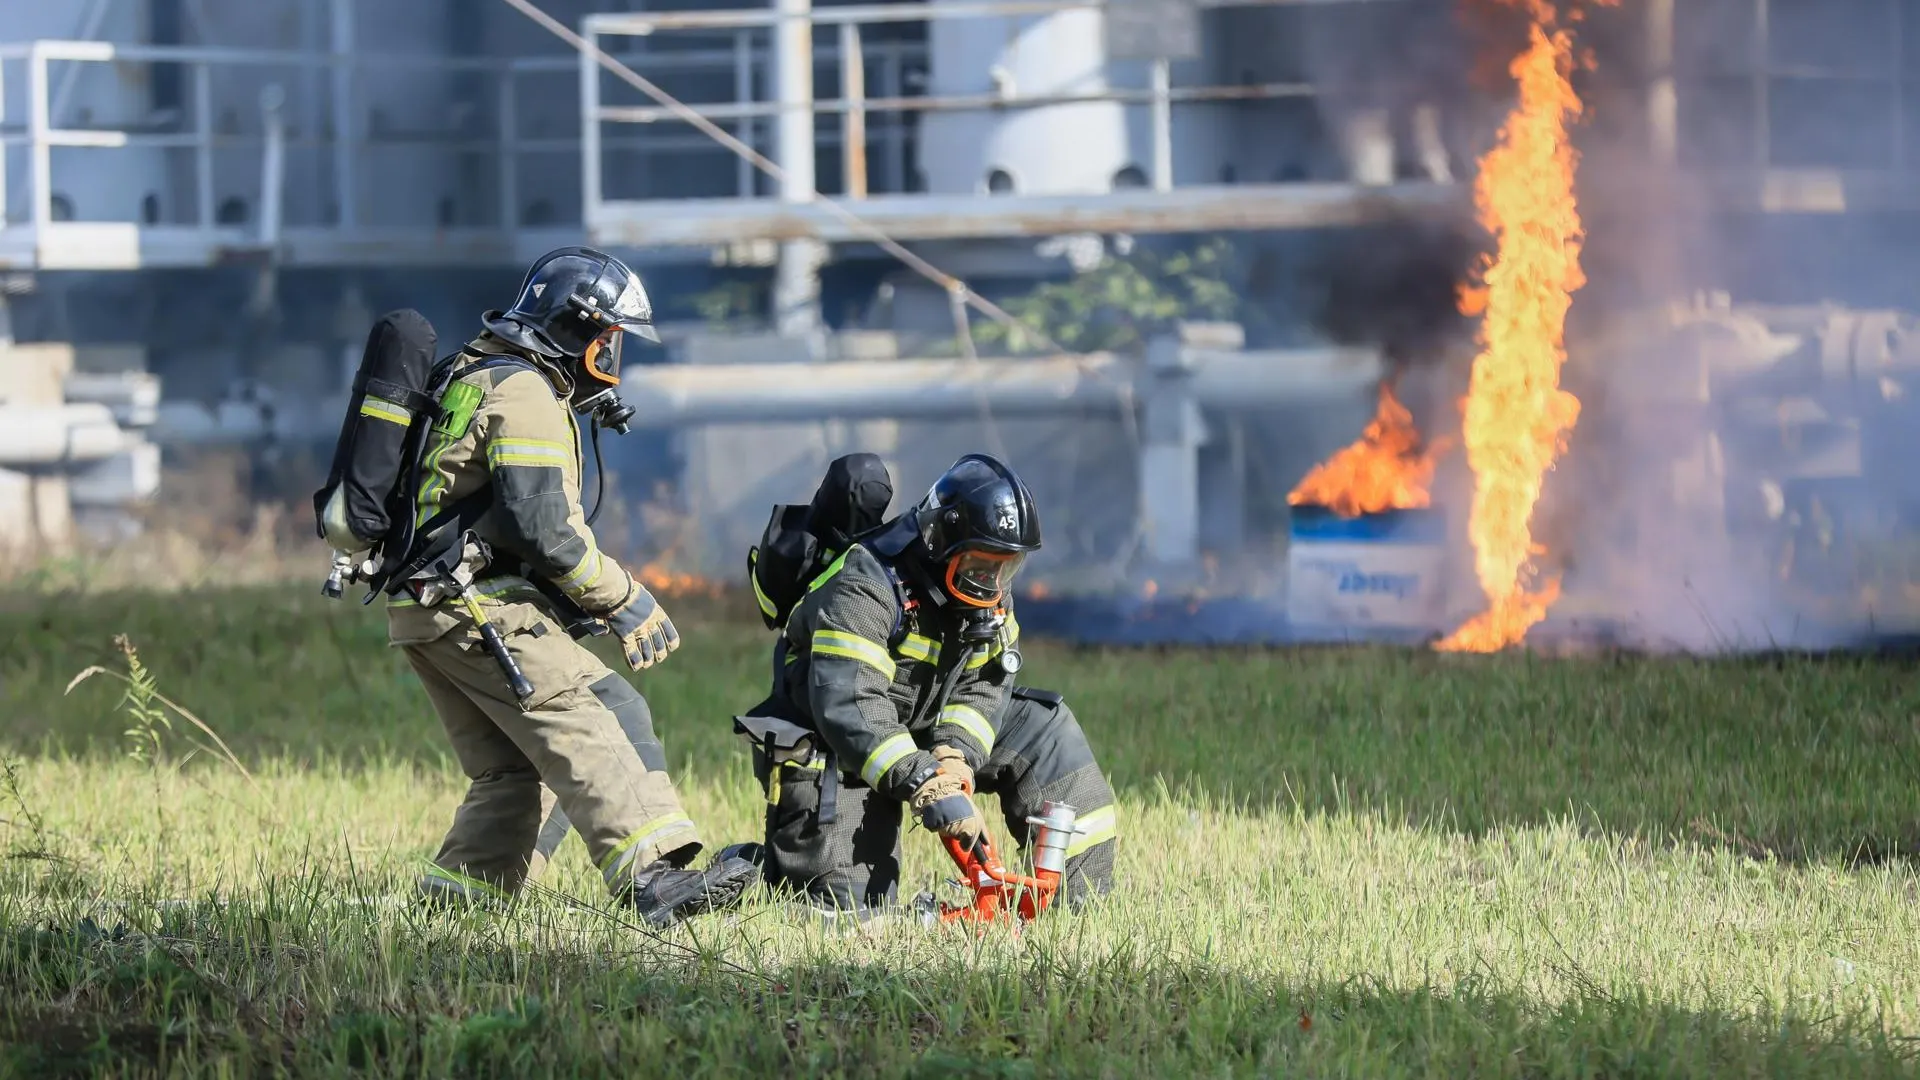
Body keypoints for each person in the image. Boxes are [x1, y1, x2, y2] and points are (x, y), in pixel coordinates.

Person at [386, 246, 757, 926]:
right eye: (609, 342)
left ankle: (455, 911)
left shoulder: (476, 372)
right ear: (576, 328)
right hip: (473, 605)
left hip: (428, 606)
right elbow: (546, 530)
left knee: (515, 769)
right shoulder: (523, 391)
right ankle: (654, 877)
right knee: (604, 711)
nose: (612, 360)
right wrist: (622, 599)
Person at [733, 453, 1118, 917]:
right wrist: (928, 782)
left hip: (920, 724)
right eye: (980, 563)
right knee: (848, 917)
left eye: (1007, 567)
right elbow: (851, 704)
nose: (992, 582)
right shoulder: (868, 582)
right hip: (836, 744)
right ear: (942, 543)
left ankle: (1076, 907)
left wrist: (955, 757)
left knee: (1047, 728)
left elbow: (984, 685)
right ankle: (748, 870)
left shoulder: (987, 592)